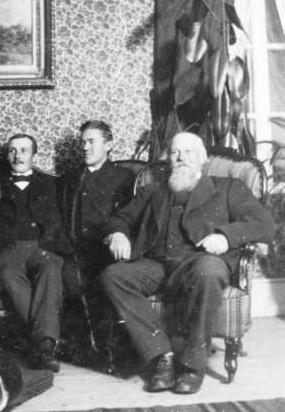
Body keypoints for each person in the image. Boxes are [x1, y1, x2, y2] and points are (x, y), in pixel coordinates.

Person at [99, 132, 275, 394]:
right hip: (156, 265)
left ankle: (192, 365)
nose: (181, 158)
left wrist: (225, 237)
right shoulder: (152, 191)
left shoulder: (228, 187)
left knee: (208, 269)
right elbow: (120, 219)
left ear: (202, 159)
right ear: (168, 159)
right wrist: (117, 234)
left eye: (188, 152)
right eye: (175, 152)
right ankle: (161, 356)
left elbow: (264, 224)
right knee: (112, 276)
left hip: (200, 262)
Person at [0, 134, 72, 372]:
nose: (17, 156)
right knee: (8, 275)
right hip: (8, 248)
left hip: (43, 246)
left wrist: (51, 242)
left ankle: (43, 346)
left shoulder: (53, 185)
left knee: (51, 269)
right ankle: (46, 344)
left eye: (24, 150)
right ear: (7, 155)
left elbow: (61, 220)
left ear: (33, 154)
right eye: (12, 150)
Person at [60, 121, 135, 361]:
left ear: (109, 145)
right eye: (83, 142)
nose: (85, 147)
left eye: (91, 142)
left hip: (104, 248)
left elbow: (128, 217)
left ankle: (107, 350)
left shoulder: (124, 177)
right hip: (73, 248)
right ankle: (87, 349)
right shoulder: (70, 178)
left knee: (102, 281)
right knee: (69, 279)